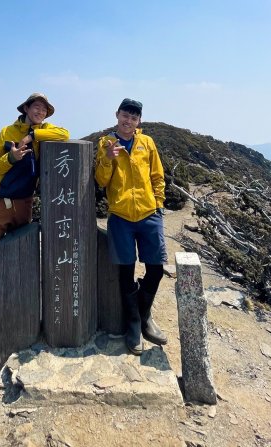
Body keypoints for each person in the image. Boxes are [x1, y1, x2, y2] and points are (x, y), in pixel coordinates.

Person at [0, 93, 70, 349]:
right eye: (36, 107)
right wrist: (12, 158)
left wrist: (33, 136)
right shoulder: (7, 131)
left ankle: (19, 317)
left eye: (44, 109)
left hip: (24, 206)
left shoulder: (44, 131)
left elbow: (65, 134)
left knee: (23, 264)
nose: (40, 112)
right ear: (26, 108)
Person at [95, 98, 168, 355]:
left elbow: (157, 175)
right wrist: (106, 158)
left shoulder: (146, 143)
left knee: (156, 269)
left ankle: (144, 314)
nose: (129, 120)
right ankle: (134, 324)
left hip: (149, 214)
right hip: (121, 217)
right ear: (117, 115)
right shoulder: (106, 143)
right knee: (126, 273)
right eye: (125, 115)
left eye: (134, 117)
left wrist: (158, 204)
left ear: (139, 121)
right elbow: (101, 180)